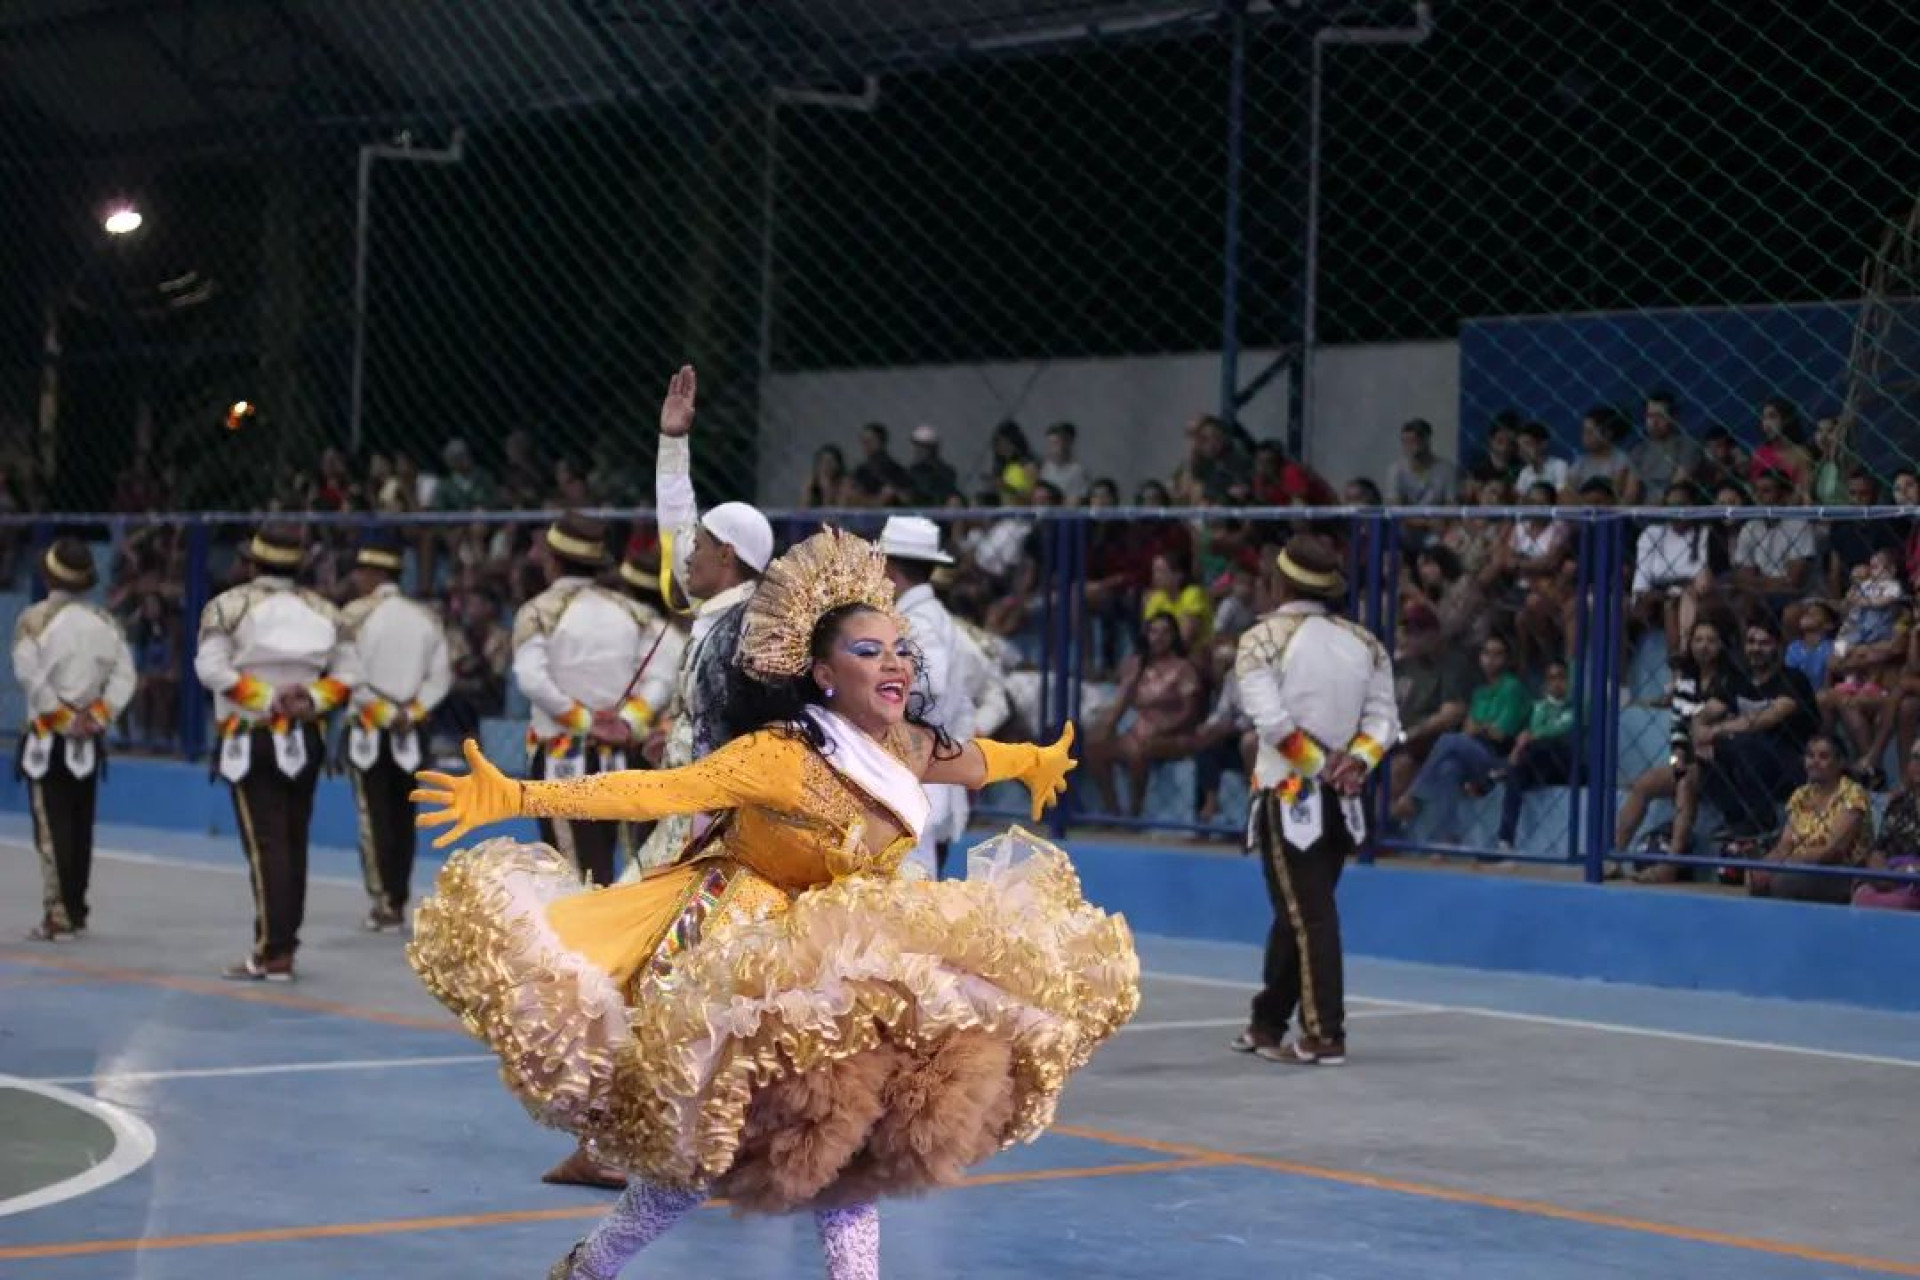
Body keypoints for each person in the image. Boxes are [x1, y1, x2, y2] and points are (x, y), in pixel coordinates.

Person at [406, 528, 1138, 1280]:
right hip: (742, 957)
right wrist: (519, 794)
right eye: (869, 651)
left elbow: (981, 762)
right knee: (702, 1145)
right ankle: (592, 1266)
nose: (895, 663)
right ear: (822, 672)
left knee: (844, 1140)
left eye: (900, 650)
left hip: (848, 963)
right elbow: (656, 790)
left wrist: (1039, 761)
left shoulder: (906, 747)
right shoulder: (781, 756)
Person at [1229, 535, 1399, 1065]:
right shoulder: (1365, 642)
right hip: (1344, 796)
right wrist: (1356, 762)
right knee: (1298, 910)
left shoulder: (1261, 640)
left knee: (1310, 915)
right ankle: (1267, 1022)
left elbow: (1273, 724)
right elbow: (1384, 722)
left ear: (1280, 584)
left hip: (1291, 791)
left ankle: (1325, 1031)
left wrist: (1318, 765)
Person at [195, 523, 353, 981]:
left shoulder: (229, 605)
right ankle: (284, 945)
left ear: (253, 563)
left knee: (266, 844)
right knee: (293, 838)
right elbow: (348, 675)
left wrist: (265, 696)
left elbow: (210, 668)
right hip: (305, 732)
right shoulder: (326, 611)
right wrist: (310, 697)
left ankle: (272, 949)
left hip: (251, 731)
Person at [635, 364, 774, 873]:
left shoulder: (751, 629)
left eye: (703, 544)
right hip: (685, 804)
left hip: (714, 821)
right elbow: (675, 523)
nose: (687, 553)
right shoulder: (717, 612)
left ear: (728, 556)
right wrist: (673, 444)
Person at [511, 513, 674, 890]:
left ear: (553, 562)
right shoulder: (634, 613)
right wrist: (628, 723)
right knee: (605, 859)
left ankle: (579, 943)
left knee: (567, 870)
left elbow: (532, 679)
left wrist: (583, 720)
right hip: (619, 754)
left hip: (560, 755)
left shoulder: (538, 612)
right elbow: (662, 676)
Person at [13, 540, 135, 941]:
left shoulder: (34, 620)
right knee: (82, 822)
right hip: (89, 735)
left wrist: (63, 717)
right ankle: (77, 906)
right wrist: (98, 715)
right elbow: (124, 677)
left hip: (49, 735)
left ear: (48, 576)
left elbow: (30, 677)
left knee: (52, 825)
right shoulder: (107, 623)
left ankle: (58, 912)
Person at [337, 528, 452, 932]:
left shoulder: (353, 617)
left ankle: (383, 901)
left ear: (369, 572)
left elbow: (346, 675)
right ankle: (399, 895)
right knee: (405, 815)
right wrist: (412, 710)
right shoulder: (427, 617)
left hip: (370, 727)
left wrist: (384, 711)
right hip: (412, 726)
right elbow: (440, 678)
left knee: (374, 816)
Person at [878, 515, 975, 877]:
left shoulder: (918, 622)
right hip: (923, 778)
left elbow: (930, 684)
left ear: (890, 569)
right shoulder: (931, 617)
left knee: (912, 904)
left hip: (916, 779)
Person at [1748, 735, 1870, 904]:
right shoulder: (1800, 795)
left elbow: (1833, 851)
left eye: (1823, 756)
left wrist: (1788, 863)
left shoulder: (1853, 794)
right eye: (1810, 756)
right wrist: (1764, 867)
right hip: (1796, 866)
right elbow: (1784, 845)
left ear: (1840, 763)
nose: (1814, 762)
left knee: (1784, 882)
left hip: (1840, 872)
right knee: (1757, 878)